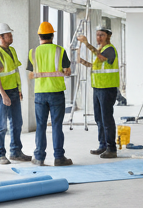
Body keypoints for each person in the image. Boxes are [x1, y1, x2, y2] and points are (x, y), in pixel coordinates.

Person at [26, 21, 73, 168]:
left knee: (40, 126)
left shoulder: (32, 52)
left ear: (39, 36)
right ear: (52, 35)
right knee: (57, 126)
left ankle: (39, 157)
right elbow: (67, 70)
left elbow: (31, 74)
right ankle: (59, 158)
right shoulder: (60, 50)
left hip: (40, 93)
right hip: (56, 92)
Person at [0, 22, 30, 164]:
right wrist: (3, 95)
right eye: (8, 35)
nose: (11, 37)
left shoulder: (11, 51)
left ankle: (16, 152)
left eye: (11, 34)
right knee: (1, 125)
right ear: (0, 37)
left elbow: (15, 72)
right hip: (2, 93)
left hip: (13, 91)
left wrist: (18, 90)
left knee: (17, 123)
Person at [77, 27, 120, 159]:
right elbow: (96, 65)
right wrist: (82, 61)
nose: (99, 37)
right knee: (99, 118)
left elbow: (101, 59)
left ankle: (111, 148)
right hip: (97, 88)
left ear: (108, 36)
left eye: (101, 35)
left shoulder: (110, 49)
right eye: (97, 35)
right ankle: (103, 145)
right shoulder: (100, 50)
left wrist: (87, 43)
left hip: (107, 88)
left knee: (106, 118)